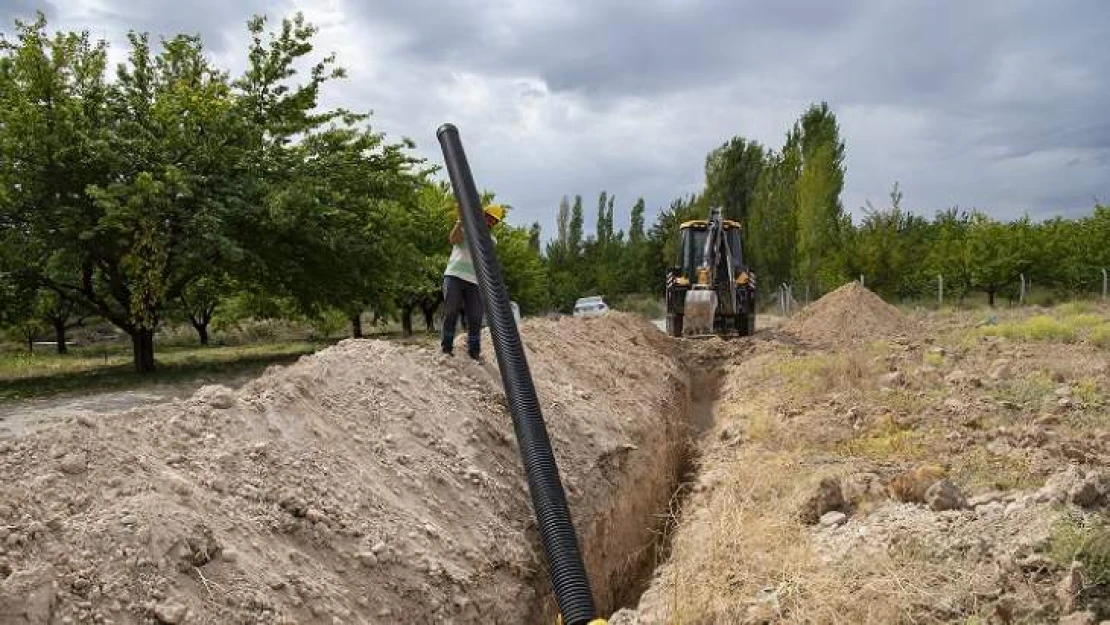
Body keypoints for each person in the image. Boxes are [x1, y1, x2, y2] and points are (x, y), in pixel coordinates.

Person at [441, 203, 504, 359]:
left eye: (493, 221)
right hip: (454, 276)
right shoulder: (464, 228)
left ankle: (474, 352)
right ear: (482, 215)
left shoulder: (491, 240)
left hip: (475, 282)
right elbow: (453, 239)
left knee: (475, 317)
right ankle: (446, 348)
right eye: (488, 217)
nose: (490, 222)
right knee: (451, 312)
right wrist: (460, 221)